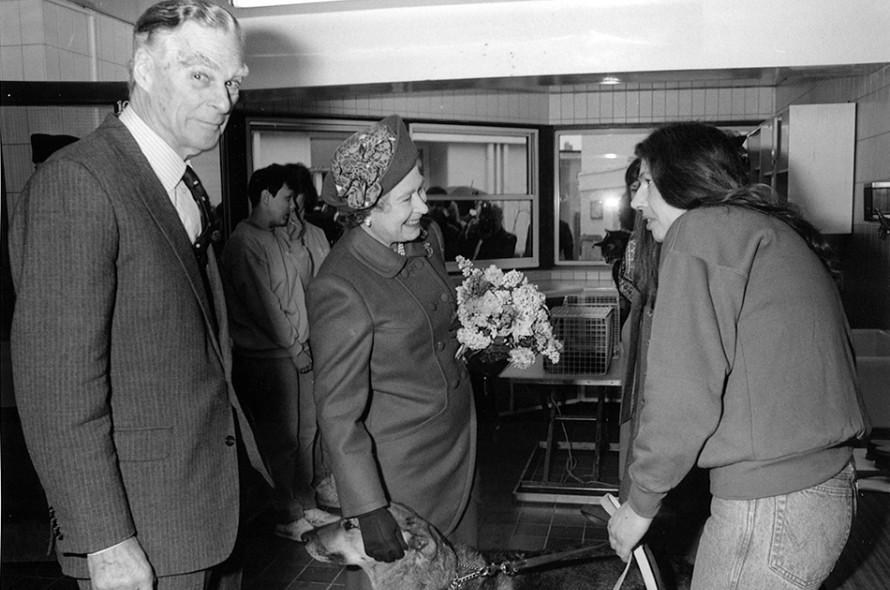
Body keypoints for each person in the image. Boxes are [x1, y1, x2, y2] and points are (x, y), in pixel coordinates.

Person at [8, 2, 270, 589]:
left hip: (202, 514)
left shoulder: (178, 181)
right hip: (141, 535)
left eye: (231, 81)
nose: (225, 100)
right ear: (145, 70)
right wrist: (103, 541)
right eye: (201, 76)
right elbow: (58, 390)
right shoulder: (80, 183)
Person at [607, 122, 869, 590]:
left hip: (772, 506)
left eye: (646, 181)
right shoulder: (760, 228)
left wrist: (640, 504)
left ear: (684, 177)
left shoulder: (700, 231)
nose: (636, 201)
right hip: (814, 493)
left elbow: (684, 390)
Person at [306, 114, 478, 590]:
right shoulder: (341, 286)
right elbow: (337, 413)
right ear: (366, 212)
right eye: (407, 199)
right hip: (402, 483)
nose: (424, 206)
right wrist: (368, 508)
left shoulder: (424, 241)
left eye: (421, 190)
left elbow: (437, 329)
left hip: (457, 451)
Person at [221, 164, 337, 543]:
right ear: (266, 196)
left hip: (294, 351)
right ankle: (286, 511)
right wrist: (292, 345)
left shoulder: (274, 237)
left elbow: (296, 294)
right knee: (280, 440)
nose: (291, 206)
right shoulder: (244, 241)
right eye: (286, 198)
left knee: (303, 434)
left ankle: (303, 502)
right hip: (269, 355)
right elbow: (265, 306)